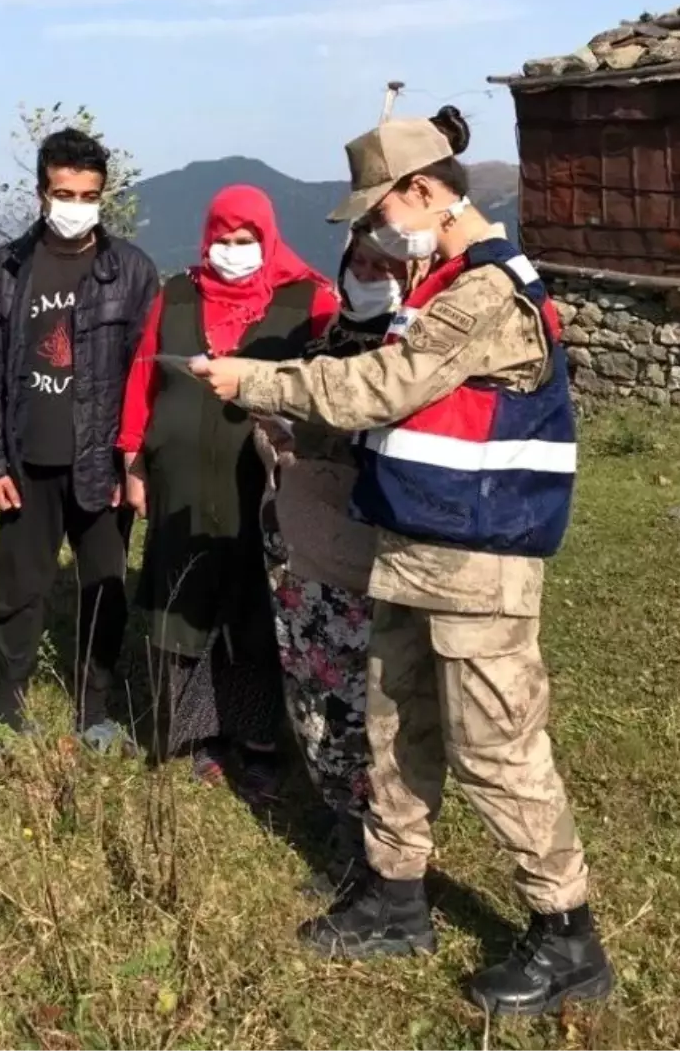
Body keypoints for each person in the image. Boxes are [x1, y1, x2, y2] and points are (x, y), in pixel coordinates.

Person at [192, 108, 614, 1018]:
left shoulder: (485, 294)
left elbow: (378, 386)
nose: (377, 234)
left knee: (498, 747)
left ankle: (566, 933)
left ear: (422, 193)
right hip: (418, 546)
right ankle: (395, 895)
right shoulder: (445, 284)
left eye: (381, 212)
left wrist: (254, 380)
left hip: (478, 560)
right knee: (396, 729)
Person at [120, 185, 338, 800]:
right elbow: (142, 375)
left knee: (255, 604)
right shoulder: (178, 292)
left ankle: (260, 743)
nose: (233, 251)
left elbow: (336, 383)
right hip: (179, 481)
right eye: (223, 240)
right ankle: (198, 736)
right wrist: (133, 459)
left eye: (246, 242)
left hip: (265, 485)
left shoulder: (309, 300)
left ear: (267, 239)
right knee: (186, 597)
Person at [0, 128, 159, 769]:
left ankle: (94, 711)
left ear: (104, 195)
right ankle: (10, 710)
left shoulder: (131, 271)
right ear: (42, 191)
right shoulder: (7, 269)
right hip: (26, 463)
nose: (77, 204)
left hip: (101, 466)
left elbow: (144, 374)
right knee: (18, 588)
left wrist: (133, 461)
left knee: (104, 588)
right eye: (64, 192)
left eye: (90, 194)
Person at [255, 234, 406, 877]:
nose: (369, 276)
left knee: (367, 697)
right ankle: (339, 813)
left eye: (384, 266)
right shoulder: (317, 348)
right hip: (298, 545)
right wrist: (273, 438)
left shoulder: (408, 355)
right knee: (312, 685)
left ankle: (379, 841)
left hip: (365, 553)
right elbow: (277, 418)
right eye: (361, 265)